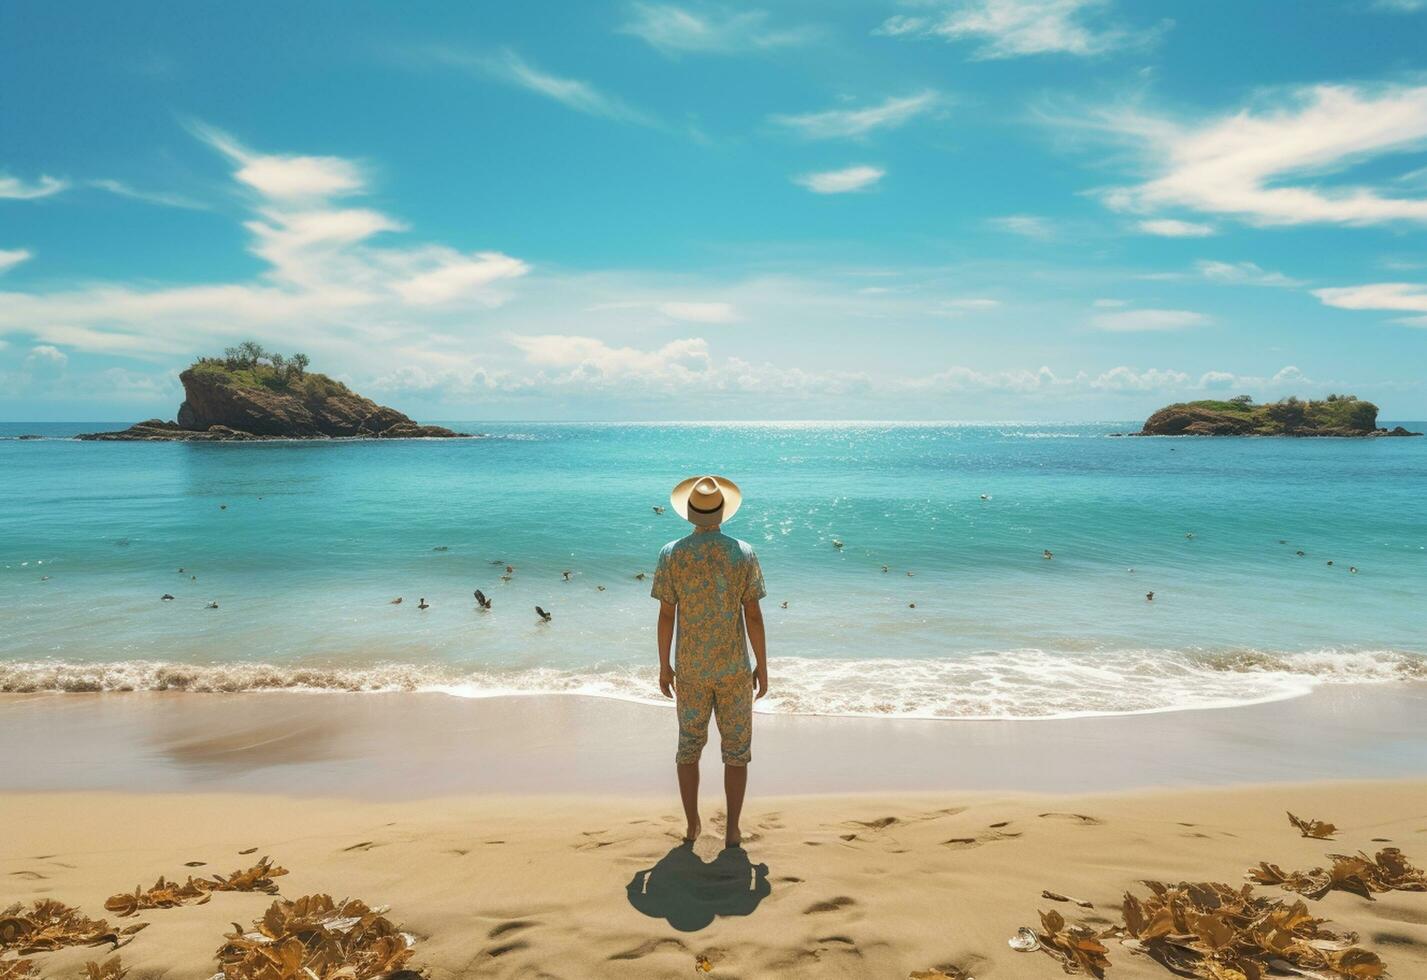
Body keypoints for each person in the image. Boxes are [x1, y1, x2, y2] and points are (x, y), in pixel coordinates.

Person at [651, 475, 768, 849]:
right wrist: (762, 665)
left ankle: (691, 826)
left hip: (690, 669)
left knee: (688, 746)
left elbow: (667, 614)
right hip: (734, 669)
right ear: (723, 512)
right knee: (736, 750)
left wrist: (663, 664)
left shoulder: (672, 554)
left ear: (690, 514)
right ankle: (732, 829)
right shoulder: (743, 553)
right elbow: (753, 614)